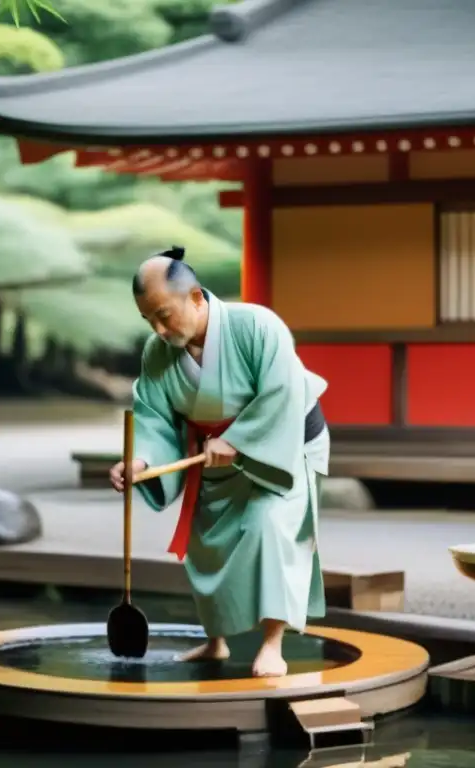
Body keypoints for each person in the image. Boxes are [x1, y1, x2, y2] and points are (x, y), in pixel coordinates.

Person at [109, 245, 330, 678]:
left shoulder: (257, 326)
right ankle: (216, 641)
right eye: (147, 319)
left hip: (281, 445)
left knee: (268, 525)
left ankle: (272, 643)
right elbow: (154, 418)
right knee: (207, 540)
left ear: (195, 297)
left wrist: (238, 438)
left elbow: (282, 394)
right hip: (211, 452)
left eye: (163, 314)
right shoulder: (157, 353)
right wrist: (139, 461)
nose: (157, 327)